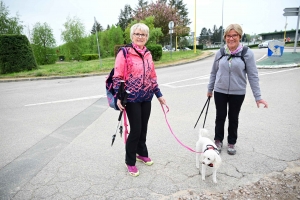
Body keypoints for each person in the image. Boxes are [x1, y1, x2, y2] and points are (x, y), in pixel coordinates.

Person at [113, 23, 166, 177]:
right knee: (135, 129)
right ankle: (130, 161)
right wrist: (118, 97)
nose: (140, 37)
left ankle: (141, 153)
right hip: (131, 98)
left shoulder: (148, 54)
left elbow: (152, 76)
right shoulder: (124, 53)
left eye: (143, 34)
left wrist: (159, 94)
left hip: (146, 97)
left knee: (143, 128)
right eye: (137, 34)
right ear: (132, 36)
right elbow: (118, 77)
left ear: (147, 37)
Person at [207, 24, 268, 155]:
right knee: (220, 116)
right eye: (228, 35)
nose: (231, 38)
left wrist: (258, 97)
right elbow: (213, 72)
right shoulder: (221, 52)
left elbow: (253, 75)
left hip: (238, 92)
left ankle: (231, 142)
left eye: (234, 35)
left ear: (239, 36)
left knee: (233, 117)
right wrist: (210, 89)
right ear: (225, 37)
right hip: (220, 91)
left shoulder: (247, 53)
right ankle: (217, 140)